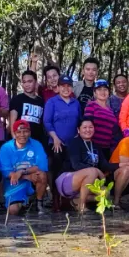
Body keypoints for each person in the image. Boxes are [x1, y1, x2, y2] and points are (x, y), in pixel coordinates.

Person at [56, 118, 129, 212]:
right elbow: (76, 165)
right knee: (92, 171)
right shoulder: (74, 143)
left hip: (87, 180)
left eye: (90, 127)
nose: (88, 130)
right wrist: (96, 171)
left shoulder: (95, 146)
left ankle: (76, 200)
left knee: (105, 192)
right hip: (67, 180)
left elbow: (104, 165)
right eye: (84, 127)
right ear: (78, 130)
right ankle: (82, 206)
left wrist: (122, 164)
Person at [44, 75, 82, 211]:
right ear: (58, 87)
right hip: (56, 143)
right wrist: (55, 138)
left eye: (68, 86)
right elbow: (47, 122)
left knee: (70, 171)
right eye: (63, 86)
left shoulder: (75, 103)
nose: (66, 89)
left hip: (71, 144)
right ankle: (55, 200)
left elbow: (79, 121)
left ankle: (67, 200)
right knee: (56, 170)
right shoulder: (52, 102)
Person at [0, 120, 48, 215]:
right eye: (19, 132)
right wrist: (26, 177)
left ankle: (39, 203)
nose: (22, 135)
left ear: (29, 132)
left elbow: (42, 166)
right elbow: (5, 172)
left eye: (25, 131)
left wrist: (22, 171)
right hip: (14, 182)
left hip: (33, 178)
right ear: (14, 133)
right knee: (13, 210)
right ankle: (25, 201)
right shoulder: (6, 148)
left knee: (42, 175)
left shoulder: (36, 144)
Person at [83, 80, 120, 159]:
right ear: (95, 92)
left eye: (105, 89)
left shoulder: (111, 110)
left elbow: (113, 131)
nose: (103, 92)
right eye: (99, 89)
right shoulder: (91, 105)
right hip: (93, 147)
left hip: (107, 148)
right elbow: (86, 125)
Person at [9, 69, 45, 144]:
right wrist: (15, 141)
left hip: (37, 142)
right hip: (20, 141)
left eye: (30, 81)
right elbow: (12, 122)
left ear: (35, 82)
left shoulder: (41, 101)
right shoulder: (17, 99)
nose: (27, 84)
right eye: (24, 82)